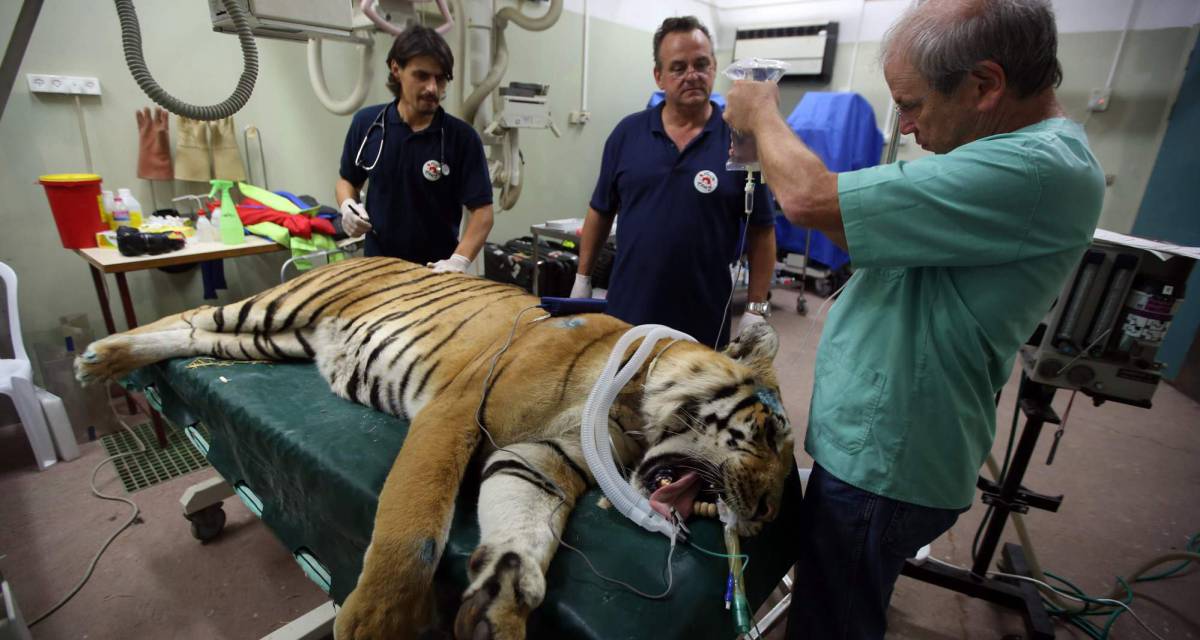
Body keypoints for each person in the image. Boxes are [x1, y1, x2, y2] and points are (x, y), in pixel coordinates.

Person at [723, 0, 1104, 637]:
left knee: (832, 622)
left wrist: (762, 111)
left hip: (888, 462)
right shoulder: (1003, 154)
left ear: (985, 84)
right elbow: (861, 229)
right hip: (877, 447)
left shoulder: (1034, 168)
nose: (906, 124)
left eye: (913, 104)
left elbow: (809, 200)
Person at [571, 16, 776, 348]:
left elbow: (762, 230)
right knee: (623, 381)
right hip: (628, 311)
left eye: (701, 64)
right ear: (659, 76)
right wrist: (582, 278)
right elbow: (600, 210)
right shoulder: (627, 134)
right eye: (678, 67)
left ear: (714, 68)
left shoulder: (741, 141)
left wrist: (756, 308)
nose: (692, 75)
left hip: (704, 316)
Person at [336, 25, 494, 273]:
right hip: (377, 268)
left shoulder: (462, 138)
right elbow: (347, 180)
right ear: (396, 69)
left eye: (440, 79)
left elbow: (483, 212)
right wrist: (347, 206)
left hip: (435, 272)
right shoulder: (367, 124)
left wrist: (458, 261)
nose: (432, 88)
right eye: (422, 76)